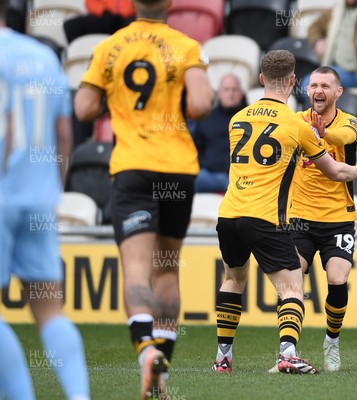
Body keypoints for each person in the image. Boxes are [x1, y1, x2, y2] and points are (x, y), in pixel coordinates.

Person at [74, 0, 214, 398]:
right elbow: (202, 104)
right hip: (177, 168)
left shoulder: (109, 47)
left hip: (132, 167)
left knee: (135, 267)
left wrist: (114, 100)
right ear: (169, 4)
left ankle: (145, 351)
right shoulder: (187, 44)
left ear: (133, 3)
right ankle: (163, 366)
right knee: (166, 267)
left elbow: (83, 107)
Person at [212, 50, 357, 375]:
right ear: (293, 82)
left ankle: (222, 359)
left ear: (260, 80)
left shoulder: (237, 118)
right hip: (266, 216)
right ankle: (287, 354)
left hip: (229, 213)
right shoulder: (296, 125)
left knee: (233, 279)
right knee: (291, 289)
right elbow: (335, 172)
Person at [0, 0, 90, 398]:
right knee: (49, 310)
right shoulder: (43, 57)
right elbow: (64, 134)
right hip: (38, 199)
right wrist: (51, 191)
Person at [284, 66, 357, 373]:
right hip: (299, 217)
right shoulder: (295, 121)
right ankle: (287, 351)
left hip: (338, 219)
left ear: (337, 92)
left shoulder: (351, 122)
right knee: (291, 282)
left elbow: (344, 136)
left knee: (337, 279)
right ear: (307, 90)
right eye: (313, 85)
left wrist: (321, 133)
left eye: (325, 86)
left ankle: (331, 340)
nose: (318, 90)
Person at [190, 73, 246, 193]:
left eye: (234, 90)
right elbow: (194, 149)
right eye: (226, 90)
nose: (230, 94)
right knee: (186, 180)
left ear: (241, 93)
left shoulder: (252, 117)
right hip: (208, 177)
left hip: (242, 177)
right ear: (219, 93)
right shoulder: (206, 118)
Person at [63, 0, 135, 44]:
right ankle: (80, 58)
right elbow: (90, 2)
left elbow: (141, 4)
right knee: (71, 26)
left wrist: (124, 14)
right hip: (105, 18)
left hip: (127, 21)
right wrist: (104, 12)